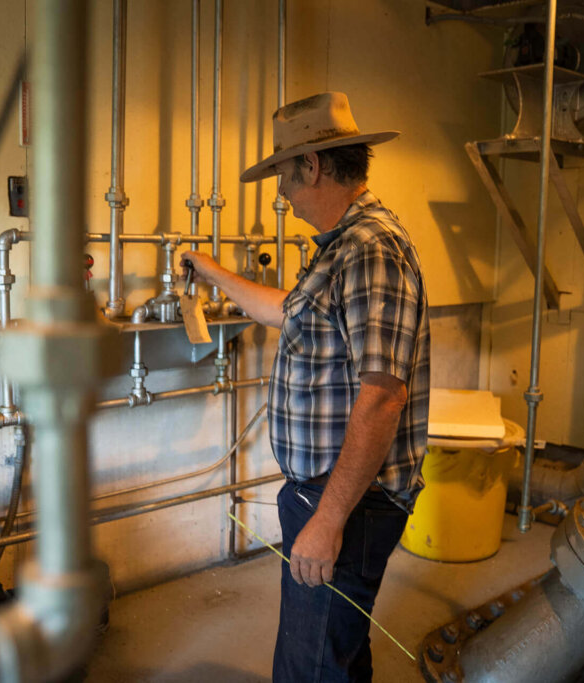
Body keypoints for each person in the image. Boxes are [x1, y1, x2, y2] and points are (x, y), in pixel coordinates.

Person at [181, 91, 430, 682]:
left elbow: (383, 396)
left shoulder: (369, 250)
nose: (282, 193)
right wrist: (212, 272)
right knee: (335, 654)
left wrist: (327, 521)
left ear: (312, 166)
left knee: (310, 668)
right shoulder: (341, 247)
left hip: (347, 500)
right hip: (329, 493)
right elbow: (287, 310)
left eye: (284, 175)